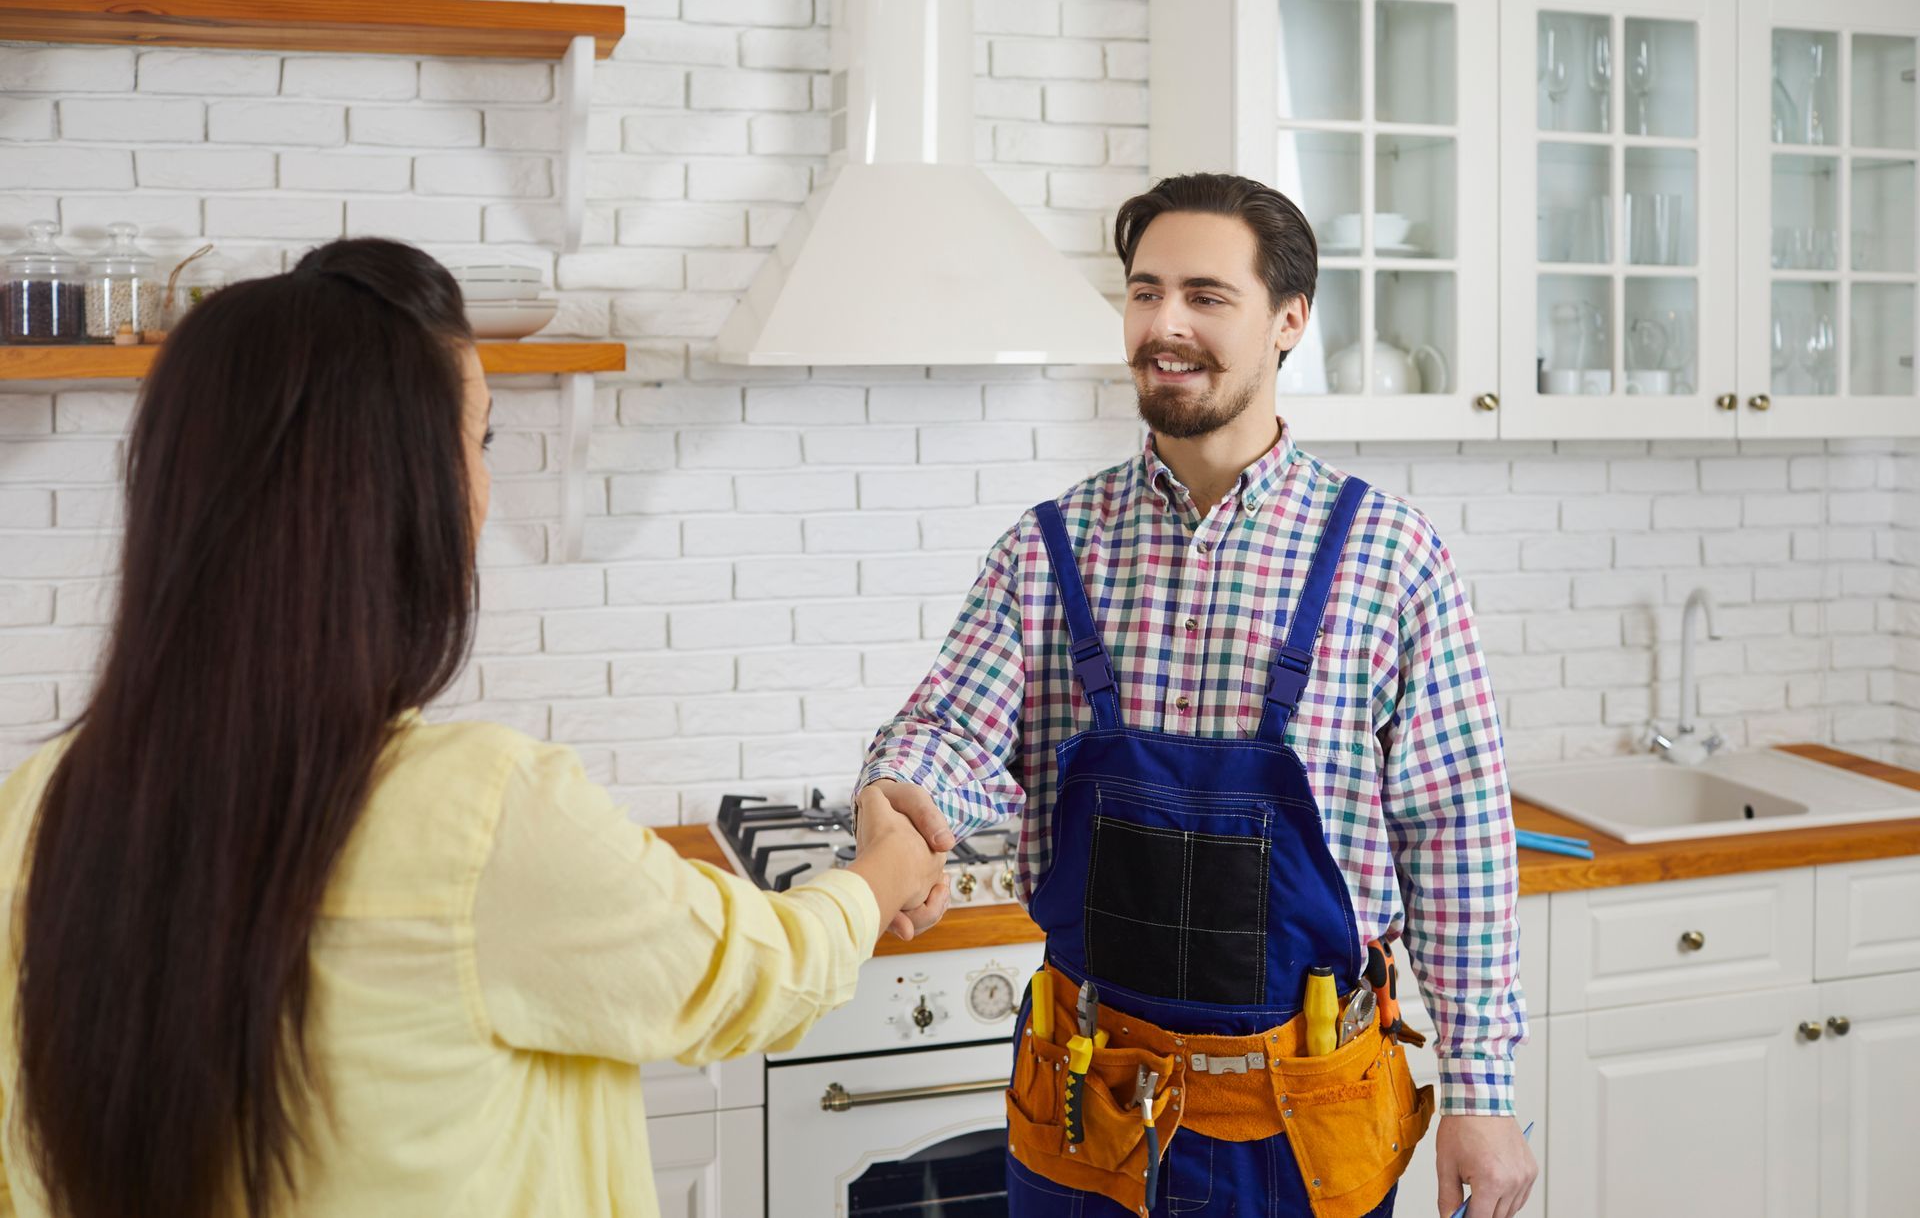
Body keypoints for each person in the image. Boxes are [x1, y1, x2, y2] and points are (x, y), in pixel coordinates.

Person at [0, 238, 949, 1218]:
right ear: (399, 494)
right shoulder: (478, 813)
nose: (484, 490)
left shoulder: (28, 815)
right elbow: (747, 967)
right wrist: (882, 868)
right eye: (481, 439)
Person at [860, 174, 1538, 1218]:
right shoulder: (1052, 549)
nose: (1164, 325)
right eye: (1145, 292)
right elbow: (947, 732)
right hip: (1087, 1108)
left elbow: (1457, 835)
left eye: (1207, 296)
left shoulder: (1390, 558)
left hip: (1303, 1122)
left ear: (1289, 321)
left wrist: (1484, 1090)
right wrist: (897, 793)